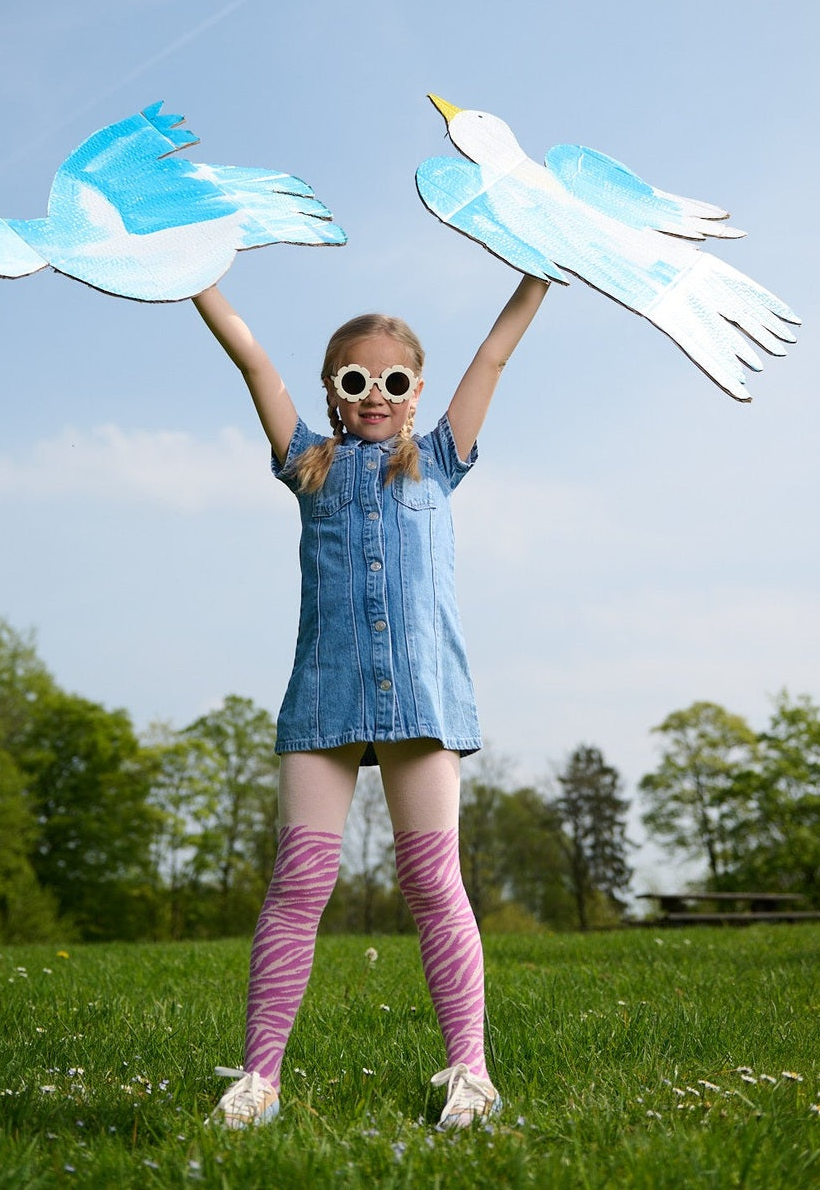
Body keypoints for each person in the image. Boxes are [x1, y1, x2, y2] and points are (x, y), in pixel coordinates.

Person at [191, 272, 551, 1131]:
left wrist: (537, 270)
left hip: (423, 699)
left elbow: (494, 352)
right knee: (299, 881)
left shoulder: (440, 456)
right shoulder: (305, 461)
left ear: (417, 391)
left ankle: (470, 1071)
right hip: (325, 696)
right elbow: (250, 357)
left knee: (433, 882)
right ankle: (258, 1079)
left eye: (395, 382)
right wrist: (194, 278)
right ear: (331, 389)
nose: (376, 396)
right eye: (356, 381)